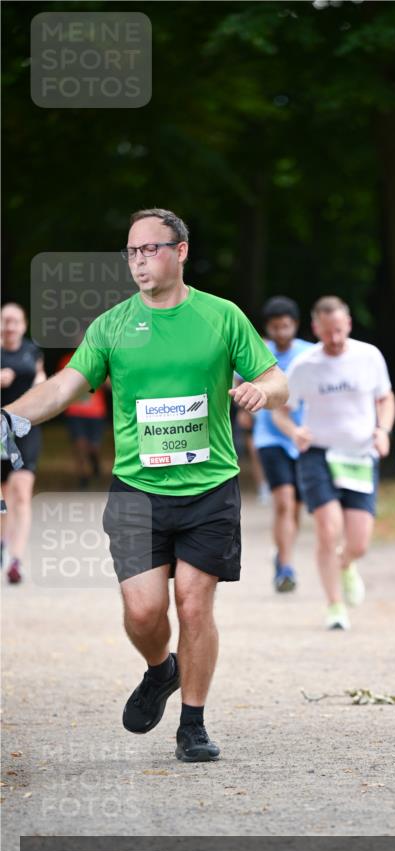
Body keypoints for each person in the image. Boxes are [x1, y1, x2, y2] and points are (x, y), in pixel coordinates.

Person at [1, 208, 287, 762]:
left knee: (194, 604)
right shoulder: (112, 325)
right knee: (142, 612)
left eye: (150, 249)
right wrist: (10, 415)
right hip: (137, 491)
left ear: (180, 251)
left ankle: (194, 725)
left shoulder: (221, 316)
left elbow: (276, 378)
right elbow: (64, 387)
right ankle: (162, 671)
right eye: (131, 252)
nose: (138, 261)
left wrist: (262, 393)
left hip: (209, 487)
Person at [273, 296, 395, 630]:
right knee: (328, 529)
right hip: (319, 454)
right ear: (316, 329)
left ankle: (347, 564)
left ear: (349, 325)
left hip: (358, 454)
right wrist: (295, 430)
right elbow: (281, 410)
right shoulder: (304, 365)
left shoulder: (369, 357)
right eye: (328, 333)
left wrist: (383, 430)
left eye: (340, 331)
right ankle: (335, 605)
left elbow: (385, 399)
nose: (335, 339)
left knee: (359, 542)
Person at [253, 295, 312, 592]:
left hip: (303, 436)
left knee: (297, 506)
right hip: (270, 437)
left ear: (296, 326)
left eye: (286, 327)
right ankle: (286, 568)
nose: (281, 333)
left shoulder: (309, 354)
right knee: (284, 502)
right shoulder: (260, 353)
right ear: (269, 328)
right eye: (275, 327)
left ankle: (282, 554)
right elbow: (241, 382)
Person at [0, 302, 46, 583]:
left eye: (15, 321)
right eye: (5, 320)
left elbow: (40, 376)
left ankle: (16, 560)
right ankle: (3, 542)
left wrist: (41, 383)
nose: (10, 325)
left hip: (26, 428)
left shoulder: (32, 351)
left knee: (21, 491)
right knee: (2, 496)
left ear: (24, 325)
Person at [57, 347, 109, 489]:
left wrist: (99, 377)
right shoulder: (67, 360)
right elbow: (60, 384)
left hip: (96, 412)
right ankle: (83, 477)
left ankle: (95, 464)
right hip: (75, 411)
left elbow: (110, 384)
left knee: (94, 447)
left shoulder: (100, 359)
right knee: (80, 445)